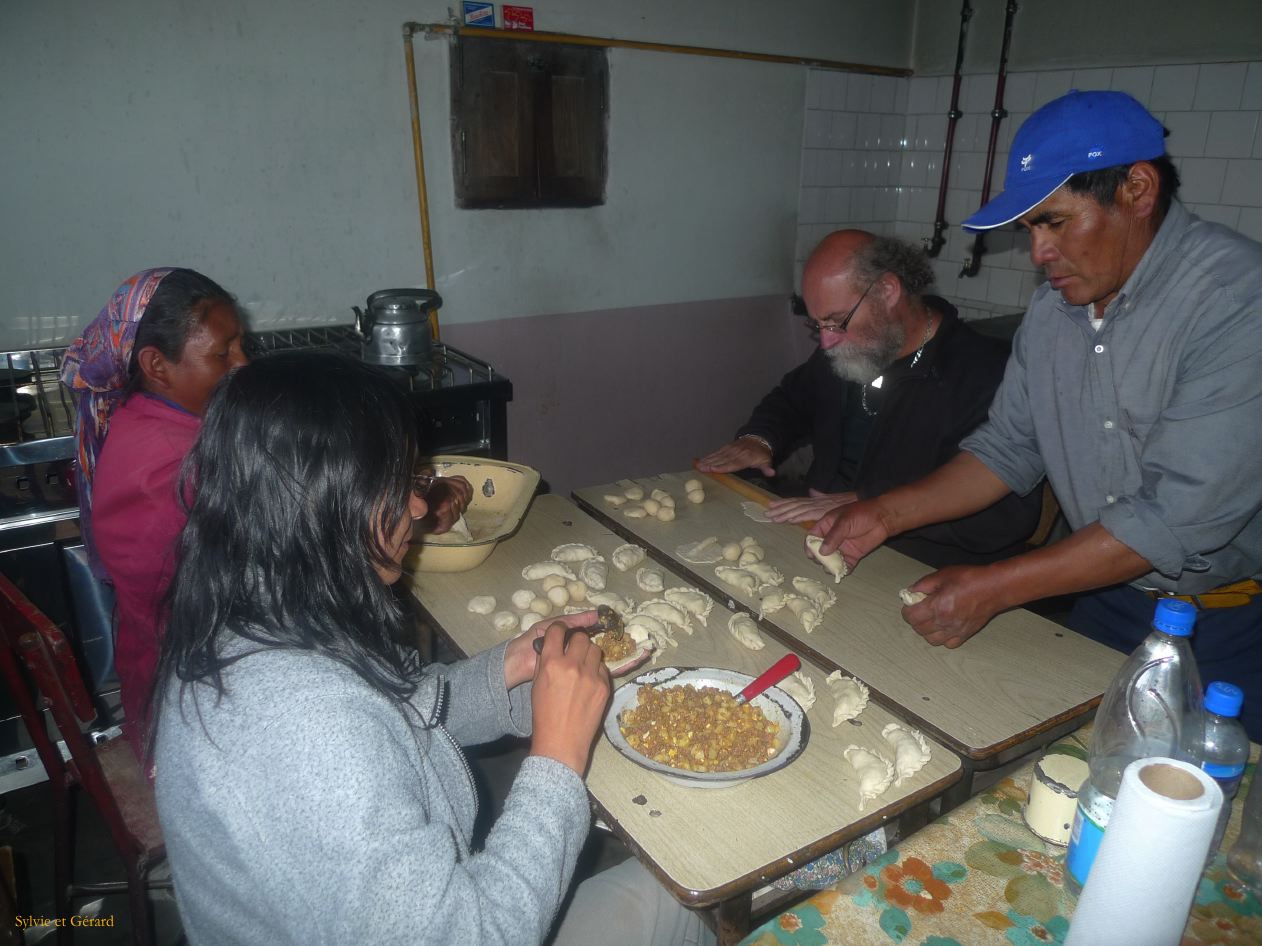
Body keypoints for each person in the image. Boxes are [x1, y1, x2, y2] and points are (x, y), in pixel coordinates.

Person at [151, 352, 712, 946]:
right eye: (396, 486)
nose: (418, 508)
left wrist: (509, 672)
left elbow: (401, 719)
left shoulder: (257, 610)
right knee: (688, 894)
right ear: (325, 502)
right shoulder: (309, 728)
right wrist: (557, 762)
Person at [813, 91, 1262, 738]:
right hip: (1103, 598)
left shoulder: (1235, 301)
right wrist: (880, 513)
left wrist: (996, 587)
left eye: (1055, 222)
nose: (1038, 253)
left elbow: (1171, 520)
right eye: (1030, 229)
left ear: (1137, 188)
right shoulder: (1054, 313)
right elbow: (1006, 450)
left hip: (1225, 627)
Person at [60, 268, 475, 759]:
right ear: (157, 365)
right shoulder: (176, 469)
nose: (244, 364)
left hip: (190, 673)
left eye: (242, 345)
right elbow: (313, 534)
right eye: (223, 353)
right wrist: (420, 511)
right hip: (201, 712)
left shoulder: (150, 420)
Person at [698, 230, 1041, 568]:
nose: (827, 343)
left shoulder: (986, 373)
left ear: (887, 290)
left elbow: (1004, 516)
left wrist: (876, 504)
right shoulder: (847, 348)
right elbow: (792, 398)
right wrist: (759, 438)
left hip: (919, 561)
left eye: (835, 322)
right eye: (818, 326)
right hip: (819, 534)